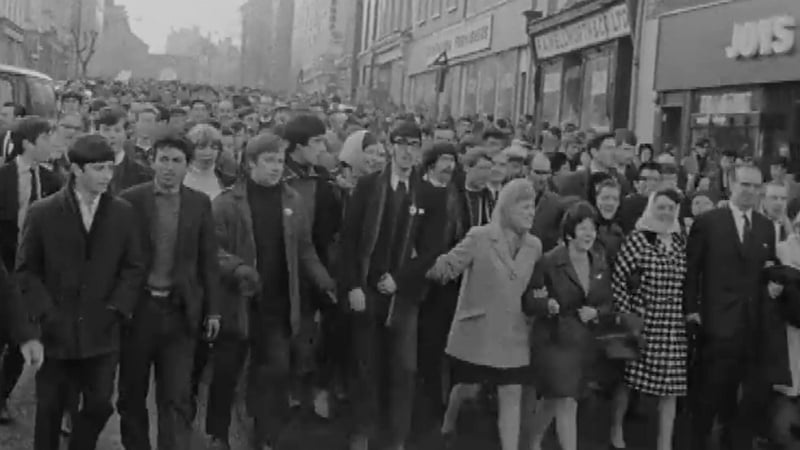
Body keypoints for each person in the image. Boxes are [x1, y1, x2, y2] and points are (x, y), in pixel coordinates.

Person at [14, 134, 144, 450]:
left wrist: (116, 307)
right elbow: (26, 270)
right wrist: (46, 312)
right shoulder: (43, 212)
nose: (105, 176)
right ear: (76, 169)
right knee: (50, 410)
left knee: (100, 404)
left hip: (102, 332)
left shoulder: (123, 213)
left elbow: (134, 266)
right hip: (56, 331)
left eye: (109, 169)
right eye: (98, 169)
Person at [208, 132, 335, 450]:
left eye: (280, 161)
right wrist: (238, 269)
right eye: (269, 161)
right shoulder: (226, 203)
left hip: (278, 303)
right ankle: (218, 433)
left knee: (275, 371)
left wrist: (325, 281)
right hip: (237, 302)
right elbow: (212, 250)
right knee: (228, 370)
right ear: (251, 164)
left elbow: (305, 251)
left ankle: (264, 432)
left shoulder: (293, 200)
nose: (276, 167)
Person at [116, 130, 221, 450]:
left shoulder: (199, 204)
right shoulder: (131, 200)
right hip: (139, 311)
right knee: (131, 395)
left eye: (177, 161)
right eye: (164, 159)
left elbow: (208, 260)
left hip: (179, 312)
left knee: (175, 396)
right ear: (153, 161)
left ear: (186, 166)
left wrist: (213, 309)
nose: (169, 167)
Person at [340, 120, 435, 450]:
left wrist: (401, 278)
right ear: (391, 147)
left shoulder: (426, 192)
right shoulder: (368, 187)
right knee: (366, 365)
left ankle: (396, 439)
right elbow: (349, 239)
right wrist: (352, 285)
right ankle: (362, 433)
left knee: (403, 370)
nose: (407, 151)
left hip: (403, 295)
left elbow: (431, 249)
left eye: (414, 145)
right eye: (402, 144)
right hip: (366, 289)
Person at [428, 178, 541, 450]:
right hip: (478, 331)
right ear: (507, 208)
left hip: (513, 331)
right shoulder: (480, 236)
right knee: (468, 387)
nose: (530, 213)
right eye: (524, 207)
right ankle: (449, 421)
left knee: (511, 391)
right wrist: (421, 265)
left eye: (532, 207)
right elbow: (449, 266)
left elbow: (532, 288)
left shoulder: (534, 246)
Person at [685, 163, 781, 449]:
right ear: (731, 183)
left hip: (751, 329)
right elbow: (692, 272)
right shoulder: (709, 222)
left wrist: (773, 284)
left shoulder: (765, 227)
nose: (750, 191)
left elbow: (767, 270)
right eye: (745, 185)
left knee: (740, 404)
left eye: (755, 186)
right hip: (714, 326)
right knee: (706, 398)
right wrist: (692, 312)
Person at [526, 201, 612, 450]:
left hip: (583, 344)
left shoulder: (599, 261)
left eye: (593, 228)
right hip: (554, 341)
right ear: (570, 230)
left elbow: (608, 301)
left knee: (553, 401)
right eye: (583, 228)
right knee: (566, 401)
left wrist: (596, 311)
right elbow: (530, 298)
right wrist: (547, 305)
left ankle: (531, 441)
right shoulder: (550, 261)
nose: (589, 234)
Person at [609, 189, 688, 450]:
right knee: (628, 381)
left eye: (670, 208)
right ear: (652, 208)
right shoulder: (637, 239)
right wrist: (628, 315)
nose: (666, 213)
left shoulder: (679, 241)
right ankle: (616, 429)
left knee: (672, 389)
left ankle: (664, 444)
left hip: (672, 324)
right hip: (643, 321)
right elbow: (620, 279)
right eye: (661, 207)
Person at [0, 116, 62, 423]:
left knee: (19, 339)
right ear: (28, 143)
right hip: (4, 267)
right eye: (46, 139)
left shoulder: (52, 182)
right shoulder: (3, 178)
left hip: (32, 276)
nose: (52, 145)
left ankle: (1, 396)